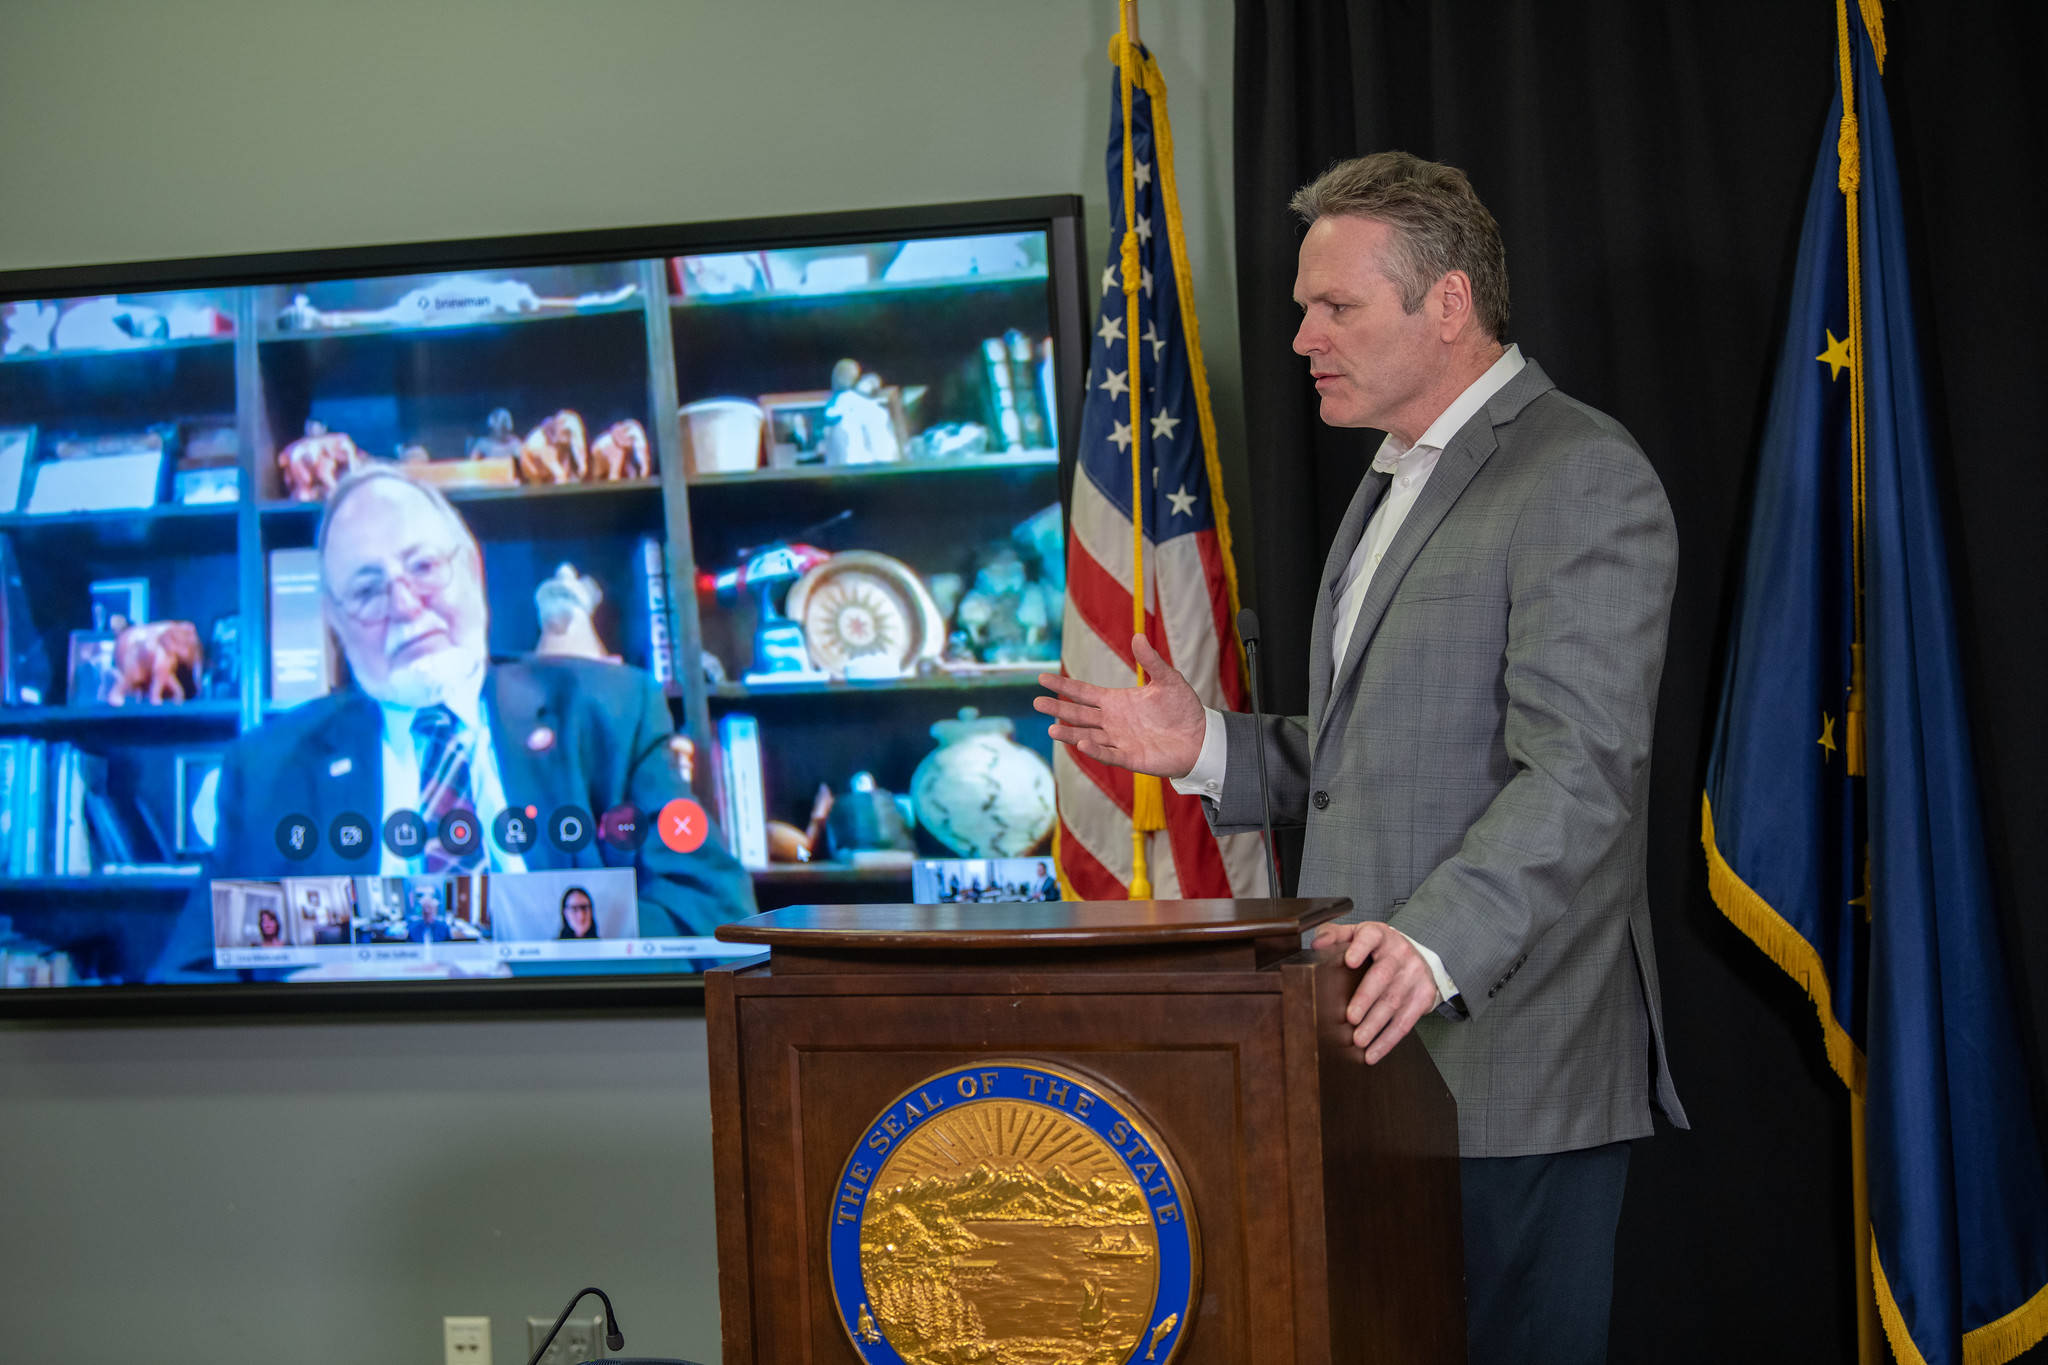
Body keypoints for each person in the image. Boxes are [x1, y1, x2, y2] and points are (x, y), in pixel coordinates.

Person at [1036, 152, 1685, 1364]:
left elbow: (1583, 774)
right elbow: (1363, 762)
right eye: (1302, 307)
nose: (1299, 339)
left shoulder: (1574, 473)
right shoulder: (1391, 477)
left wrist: (1434, 944)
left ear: (1446, 306)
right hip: (1370, 1068)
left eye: (1333, 307)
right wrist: (1205, 749)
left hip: (1507, 1068)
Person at [151, 465, 754, 980]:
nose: (405, 606)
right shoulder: (263, 770)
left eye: (424, 567)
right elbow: (189, 977)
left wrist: (488, 951)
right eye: (366, 590)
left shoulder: (609, 714)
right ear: (334, 624)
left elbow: (713, 914)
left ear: (473, 569)